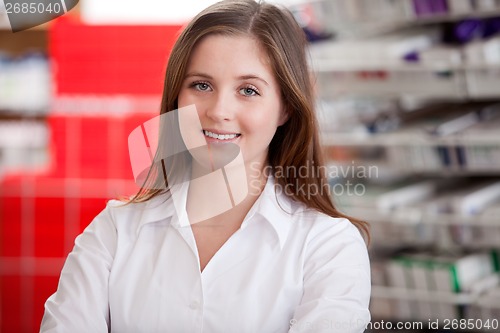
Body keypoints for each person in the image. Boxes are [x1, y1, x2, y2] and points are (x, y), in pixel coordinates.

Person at [40, 0, 371, 332]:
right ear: (176, 98)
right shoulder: (114, 232)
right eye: (201, 85)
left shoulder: (329, 247)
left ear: (285, 108)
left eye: (248, 90)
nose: (219, 110)